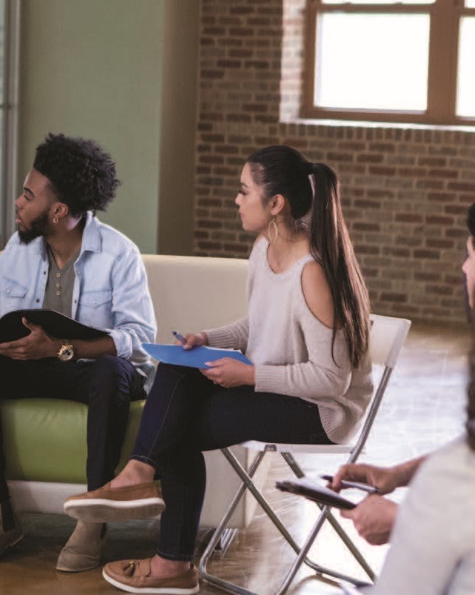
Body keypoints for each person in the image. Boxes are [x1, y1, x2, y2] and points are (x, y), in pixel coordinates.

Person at [65, 145, 372, 594]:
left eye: (244, 190)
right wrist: (208, 339)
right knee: (174, 368)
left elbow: (332, 379)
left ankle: (169, 557)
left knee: (177, 425)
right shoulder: (265, 247)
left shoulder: (312, 272)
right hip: (278, 387)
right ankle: (138, 477)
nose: (236, 199)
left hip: (320, 410)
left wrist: (248, 376)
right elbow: (260, 323)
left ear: (275, 204)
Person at [0, 134, 156, 570]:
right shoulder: (18, 248)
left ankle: (93, 519)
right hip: (29, 364)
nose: (18, 202)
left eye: (27, 195)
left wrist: (62, 347)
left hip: (90, 371)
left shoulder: (120, 254)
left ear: (59, 211)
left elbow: (138, 335)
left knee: (110, 372)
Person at [324, 201, 475, 594]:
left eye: (471, 254)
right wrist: (399, 475)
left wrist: (406, 520)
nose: (463, 268)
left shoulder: (446, 487)